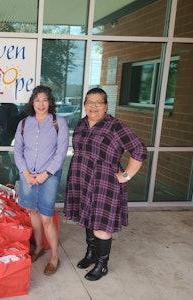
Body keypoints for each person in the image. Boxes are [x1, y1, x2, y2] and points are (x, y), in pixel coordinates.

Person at [64, 87, 147, 281]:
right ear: (84, 105)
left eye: (98, 102)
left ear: (106, 106)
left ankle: (102, 264)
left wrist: (126, 175)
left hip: (104, 182)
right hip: (82, 178)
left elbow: (139, 150)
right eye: (89, 102)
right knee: (87, 218)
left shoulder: (116, 126)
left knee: (101, 225)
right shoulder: (82, 124)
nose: (93, 106)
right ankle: (91, 254)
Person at [14, 85, 69, 275]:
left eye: (45, 100)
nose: (41, 104)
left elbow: (61, 153)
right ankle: (38, 247)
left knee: (46, 218)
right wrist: (26, 173)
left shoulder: (59, 122)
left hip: (49, 176)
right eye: (37, 100)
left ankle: (54, 257)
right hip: (27, 175)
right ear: (32, 102)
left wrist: (46, 173)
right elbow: (18, 151)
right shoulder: (23, 123)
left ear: (50, 102)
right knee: (33, 214)